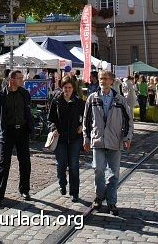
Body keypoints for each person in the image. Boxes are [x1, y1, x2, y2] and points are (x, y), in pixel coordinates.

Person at [83, 69, 133, 216]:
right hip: (98, 140)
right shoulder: (92, 98)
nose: (102, 81)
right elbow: (86, 121)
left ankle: (111, 202)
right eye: (100, 78)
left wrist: (127, 138)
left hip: (115, 141)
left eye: (105, 79)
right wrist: (86, 139)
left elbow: (129, 121)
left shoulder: (119, 100)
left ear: (112, 81)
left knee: (113, 175)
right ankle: (99, 196)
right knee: (98, 170)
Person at [0, 70, 34, 208]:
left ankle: (24, 189)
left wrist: (30, 128)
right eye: (20, 78)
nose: (22, 80)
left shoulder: (24, 93)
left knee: (25, 161)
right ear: (12, 80)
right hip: (8, 132)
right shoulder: (1, 96)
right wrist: (1, 133)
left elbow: (28, 111)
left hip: (22, 131)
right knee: (4, 163)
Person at [48, 75, 84, 202]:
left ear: (73, 88)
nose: (68, 90)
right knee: (61, 164)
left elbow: (85, 118)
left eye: (70, 88)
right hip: (61, 138)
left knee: (74, 165)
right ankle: (62, 183)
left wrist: (81, 126)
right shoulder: (56, 101)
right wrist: (54, 128)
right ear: (62, 88)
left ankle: (74, 192)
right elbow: (50, 119)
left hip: (75, 138)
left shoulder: (79, 101)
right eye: (65, 87)